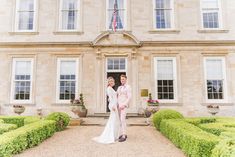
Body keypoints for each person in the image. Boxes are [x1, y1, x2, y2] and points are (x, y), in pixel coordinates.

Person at [93, 77, 120, 144]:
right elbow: (110, 98)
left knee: (115, 120)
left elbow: (113, 97)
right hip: (113, 106)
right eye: (110, 81)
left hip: (115, 106)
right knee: (113, 120)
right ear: (108, 82)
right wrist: (113, 106)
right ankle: (110, 136)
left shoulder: (111, 89)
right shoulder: (108, 89)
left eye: (112, 81)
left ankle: (114, 135)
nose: (111, 82)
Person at [117, 74, 131, 142]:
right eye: (121, 79)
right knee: (120, 120)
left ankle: (124, 135)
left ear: (126, 79)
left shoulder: (128, 87)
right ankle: (122, 133)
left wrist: (124, 105)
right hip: (119, 106)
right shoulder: (119, 87)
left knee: (123, 120)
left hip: (124, 106)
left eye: (123, 79)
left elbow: (129, 97)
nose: (122, 80)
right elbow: (117, 96)